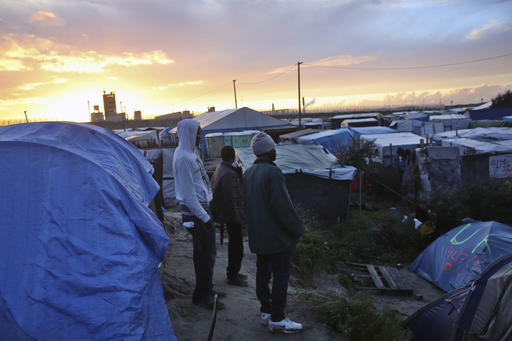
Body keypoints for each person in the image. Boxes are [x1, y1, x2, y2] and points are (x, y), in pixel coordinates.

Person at [243, 132, 304, 334]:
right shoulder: (273, 173)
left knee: (262, 273)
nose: (275, 151)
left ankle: (266, 311)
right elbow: (283, 207)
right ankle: (278, 319)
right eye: (273, 148)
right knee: (280, 276)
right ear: (269, 151)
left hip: (258, 235)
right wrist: (297, 229)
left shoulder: (249, 173)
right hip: (275, 237)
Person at [172, 119, 224, 310]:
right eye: (198, 133)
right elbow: (188, 194)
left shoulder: (190, 153)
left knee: (207, 254)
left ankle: (207, 289)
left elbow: (199, 184)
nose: (200, 137)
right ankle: (203, 296)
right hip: (196, 214)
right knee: (204, 256)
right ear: (188, 133)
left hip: (202, 210)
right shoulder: (183, 158)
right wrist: (205, 218)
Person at [211, 146, 248, 287]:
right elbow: (230, 200)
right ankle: (232, 276)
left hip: (226, 214)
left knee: (234, 246)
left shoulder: (221, 168)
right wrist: (237, 218)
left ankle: (233, 273)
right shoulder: (228, 174)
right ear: (233, 157)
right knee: (237, 247)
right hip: (231, 216)